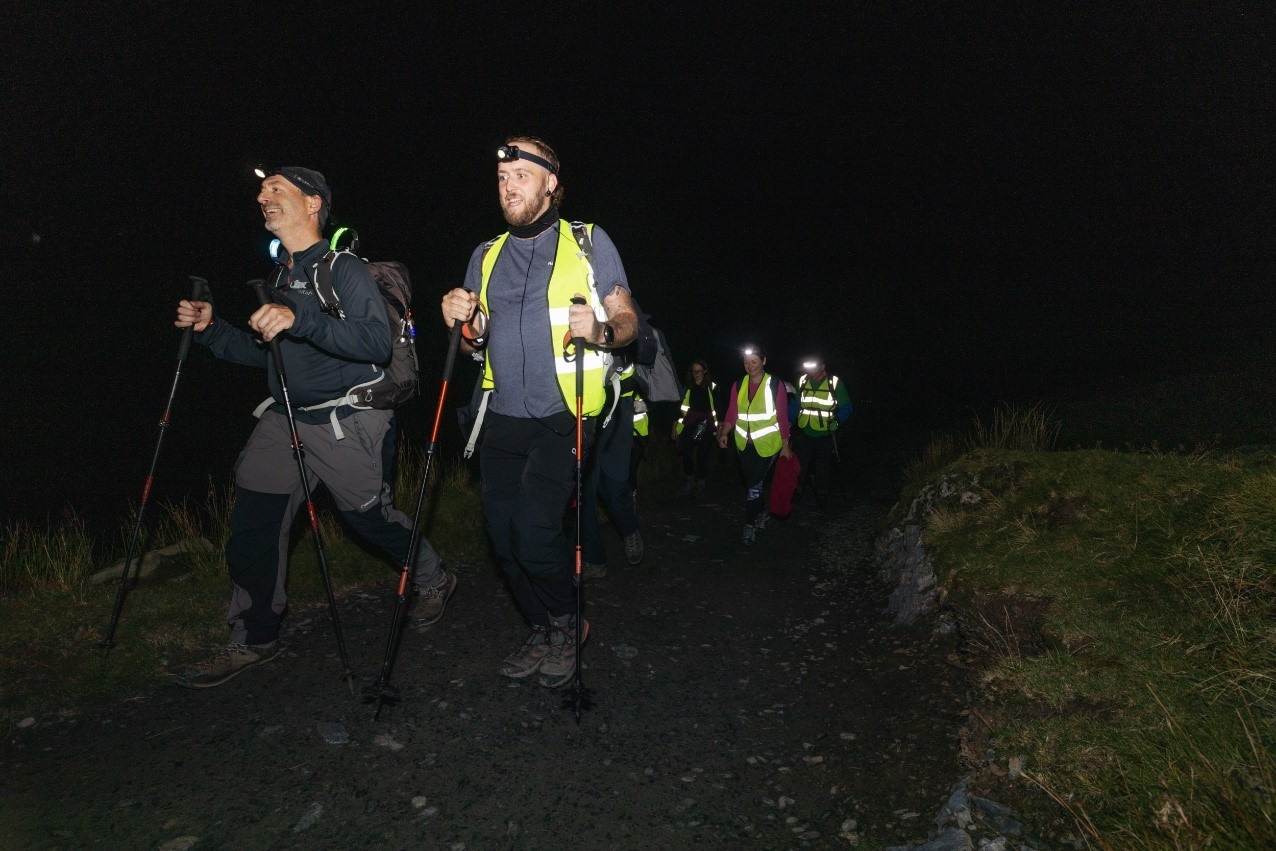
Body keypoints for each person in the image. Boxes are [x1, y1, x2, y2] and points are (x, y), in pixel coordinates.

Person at [172, 166, 455, 689]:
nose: (262, 196)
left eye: (276, 189)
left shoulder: (342, 268)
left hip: (347, 420)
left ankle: (433, 577)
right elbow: (269, 358)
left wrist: (298, 319)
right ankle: (252, 638)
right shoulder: (280, 276)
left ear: (313, 204)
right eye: (261, 189)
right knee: (254, 521)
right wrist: (213, 330)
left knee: (369, 520)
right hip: (286, 421)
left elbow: (374, 344)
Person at [440, 137, 639, 689]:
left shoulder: (589, 242)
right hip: (499, 414)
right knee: (502, 539)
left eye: (522, 175)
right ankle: (541, 625)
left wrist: (600, 330)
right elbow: (473, 346)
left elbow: (627, 319)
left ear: (551, 182)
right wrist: (465, 326)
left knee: (533, 529)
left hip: (567, 411)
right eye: (503, 178)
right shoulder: (485, 254)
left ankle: (569, 623)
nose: (509, 186)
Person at [717, 346, 794, 544]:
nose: (750, 366)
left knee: (753, 486)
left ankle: (749, 526)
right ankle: (761, 512)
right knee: (753, 484)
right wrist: (724, 432)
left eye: (754, 362)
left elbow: (782, 416)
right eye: (746, 362)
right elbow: (732, 411)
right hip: (743, 444)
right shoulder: (738, 384)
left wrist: (786, 444)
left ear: (764, 361)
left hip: (768, 445)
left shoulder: (775, 384)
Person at [579, 362, 645, 578]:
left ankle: (629, 530)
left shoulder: (615, 328)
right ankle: (594, 560)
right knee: (583, 492)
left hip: (615, 408)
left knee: (614, 486)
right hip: (582, 410)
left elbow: (639, 366)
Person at [793, 356, 852, 495]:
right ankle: (797, 492)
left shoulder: (835, 382)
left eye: (814, 367)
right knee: (800, 463)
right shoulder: (802, 381)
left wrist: (837, 421)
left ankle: (822, 494)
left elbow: (847, 407)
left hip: (825, 433)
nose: (811, 370)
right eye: (808, 367)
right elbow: (795, 404)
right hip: (804, 431)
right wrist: (790, 420)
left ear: (823, 366)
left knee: (823, 466)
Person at [672, 358, 718, 497]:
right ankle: (689, 480)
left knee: (702, 456)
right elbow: (679, 409)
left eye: (699, 371)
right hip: (689, 423)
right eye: (694, 371)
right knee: (686, 453)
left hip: (707, 424)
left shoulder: (713, 386)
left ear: (704, 371)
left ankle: (701, 484)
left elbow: (719, 408)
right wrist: (674, 425)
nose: (697, 374)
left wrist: (720, 426)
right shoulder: (687, 387)